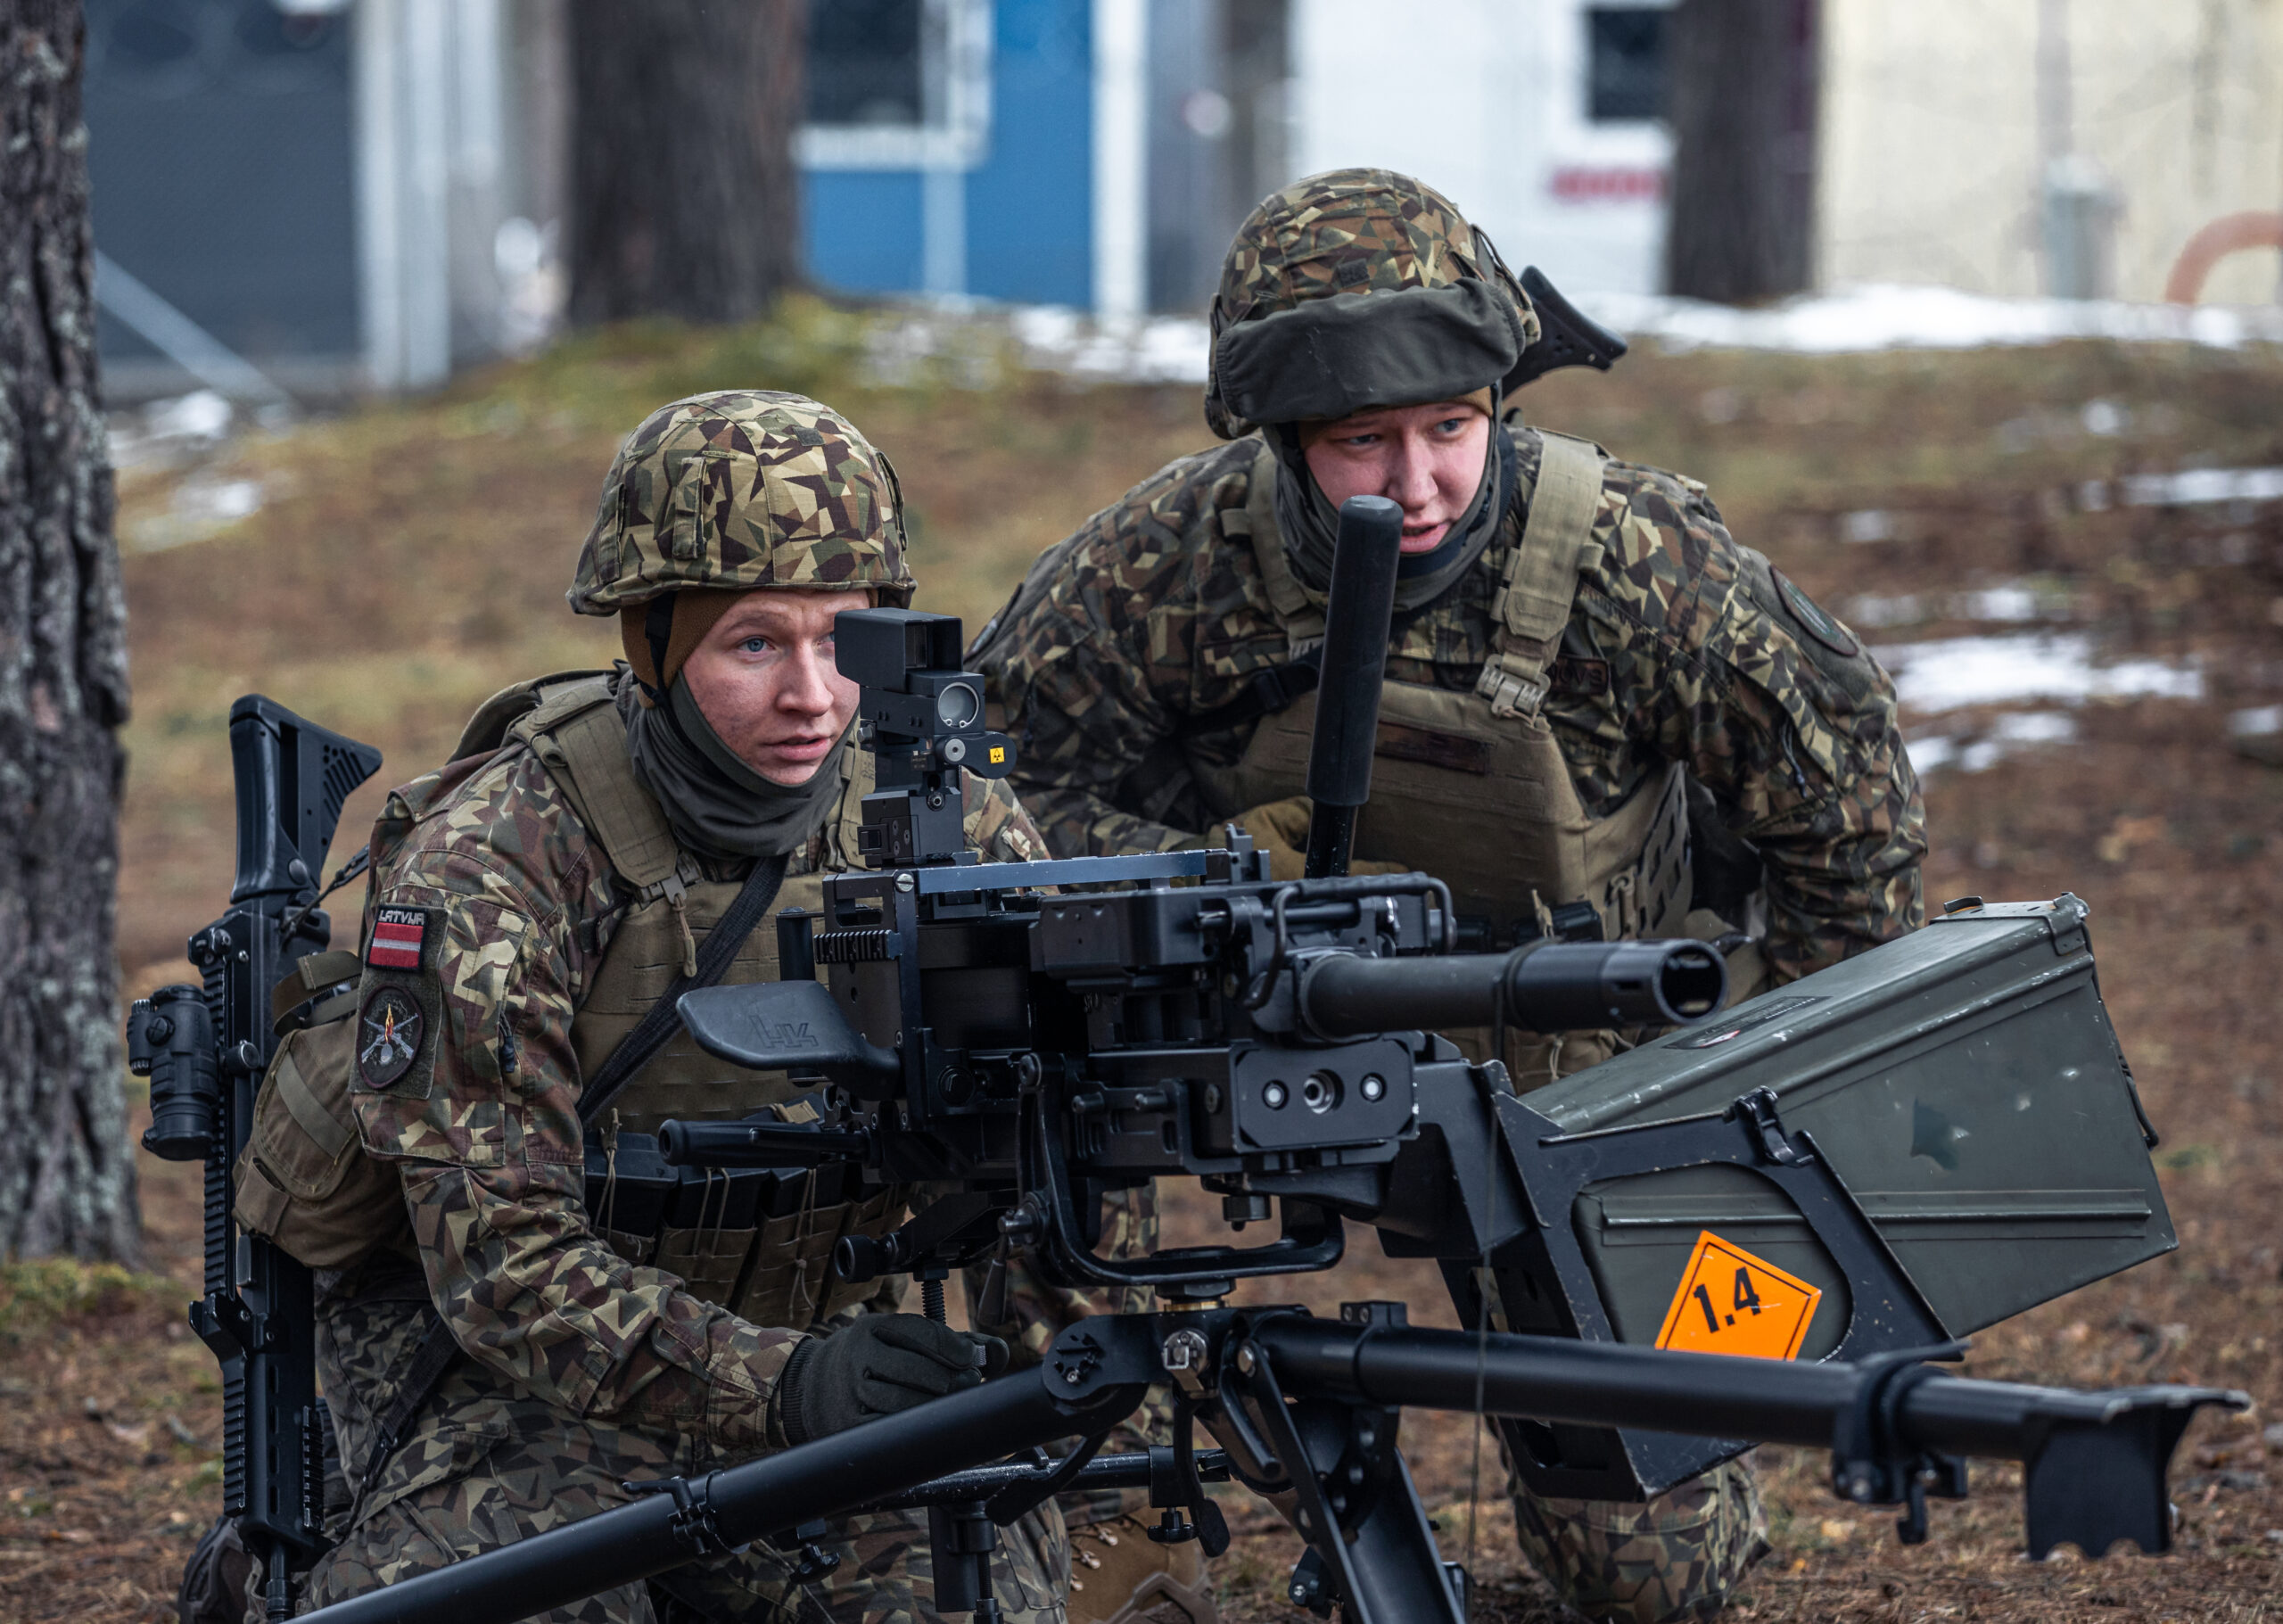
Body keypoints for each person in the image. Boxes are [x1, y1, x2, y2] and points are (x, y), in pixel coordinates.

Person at [971, 171, 1927, 1624]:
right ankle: (1079, 1487)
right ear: (1282, 438)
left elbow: (1842, 807)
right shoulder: (1162, 570)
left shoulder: (1633, 564)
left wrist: (1777, 1115)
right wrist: (1215, 885)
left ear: (1501, 402)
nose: (1416, 485)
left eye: (1451, 430)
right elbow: (990, 795)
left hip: (1579, 1070)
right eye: (1364, 442)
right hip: (1249, 1047)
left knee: (1659, 1580)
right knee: (992, 1116)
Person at [266, 391, 1189, 1624]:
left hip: (832, 1352)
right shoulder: (502, 857)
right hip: (513, 1384)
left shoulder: (944, 817)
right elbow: (503, 1270)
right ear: (649, 643)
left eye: (846, 637)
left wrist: (1051, 1407)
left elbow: (1052, 1148)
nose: (814, 693)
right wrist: (786, 1382)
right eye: (756, 642)